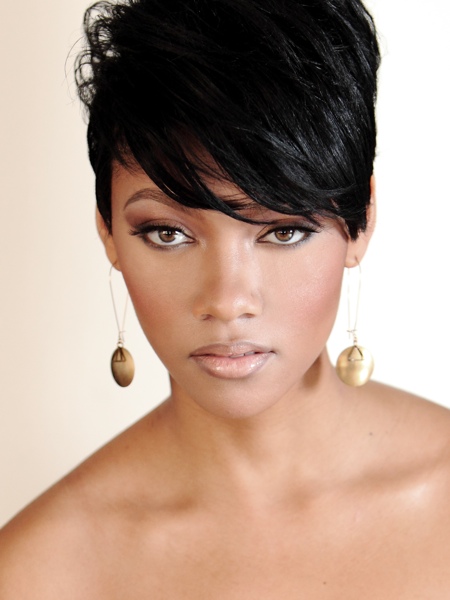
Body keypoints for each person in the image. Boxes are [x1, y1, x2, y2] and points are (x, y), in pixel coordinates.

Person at [1, 0, 450, 596]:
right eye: (168, 233)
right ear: (108, 230)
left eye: (282, 231)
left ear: (360, 221)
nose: (227, 300)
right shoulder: (37, 574)